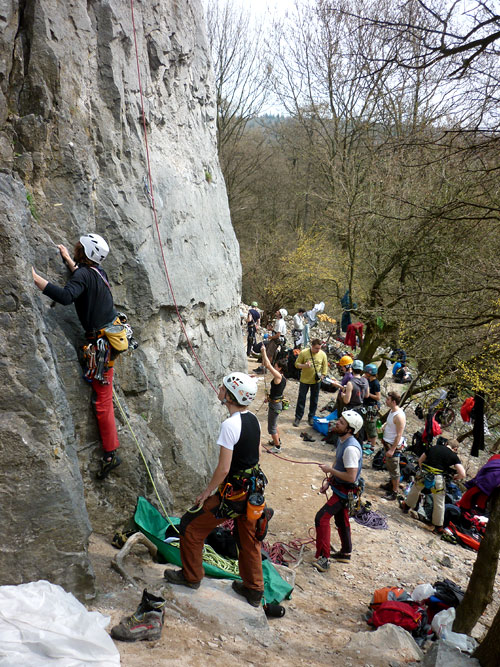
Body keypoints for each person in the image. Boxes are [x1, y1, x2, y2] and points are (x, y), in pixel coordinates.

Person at [163, 372, 265, 607]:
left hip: (232, 494)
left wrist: (207, 492)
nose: (219, 389)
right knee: (248, 540)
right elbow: (256, 455)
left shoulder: (230, 425)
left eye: (223, 387)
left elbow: (223, 468)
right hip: (252, 492)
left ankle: (191, 577)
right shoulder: (253, 420)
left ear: (230, 396)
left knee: (191, 526)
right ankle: (254, 590)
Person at [32, 234, 123, 479]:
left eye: (79, 247)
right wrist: (69, 262)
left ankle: (111, 453)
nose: (76, 245)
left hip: (102, 345)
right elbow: (83, 279)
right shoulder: (97, 272)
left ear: (83, 251)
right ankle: (111, 450)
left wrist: (34, 278)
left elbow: (66, 296)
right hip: (110, 336)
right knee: (103, 394)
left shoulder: (84, 274)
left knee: (103, 401)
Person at [313, 410, 363, 571]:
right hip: (341, 488)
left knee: (321, 518)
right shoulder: (343, 440)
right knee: (341, 519)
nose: (337, 423)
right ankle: (345, 553)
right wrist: (329, 481)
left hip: (345, 491)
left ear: (349, 429)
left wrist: (330, 471)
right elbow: (338, 463)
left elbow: (351, 477)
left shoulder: (350, 449)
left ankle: (324, 559)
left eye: (341, 422)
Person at [401, 438, 465, 533]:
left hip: (424, 474)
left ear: (446, 443)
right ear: (455, 448)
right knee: (439, 501)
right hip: (437, 478)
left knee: (415, 489)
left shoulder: (434, 447)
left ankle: (406, 506)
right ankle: (438, 526)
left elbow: (420, 460)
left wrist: (422, 469)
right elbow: (462, 474)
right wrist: (456, 477)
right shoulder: (453, 456)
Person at [293, 339, 328, 427]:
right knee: (301, 399)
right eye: (316, 348)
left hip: (316, 381)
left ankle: (311, 417)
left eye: (319, 348)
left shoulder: (323, 354)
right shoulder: (304, 353)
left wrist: (323, 376)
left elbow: (325, 367)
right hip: (304, 380)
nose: (318, 350)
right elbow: (296, 364)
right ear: (312, 346)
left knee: (314, 399)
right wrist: (304, 366)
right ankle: (298, 417)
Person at [380, 391, 406, 501]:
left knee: (395, 470)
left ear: (394, 402)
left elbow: (399, 435)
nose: (386, 401)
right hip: (387, 443)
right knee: (390, 467)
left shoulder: (399, 416)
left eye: (388, 400)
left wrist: (392, 449)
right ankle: (391, 485)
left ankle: (394, 492)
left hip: (393, 446)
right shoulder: (392, 411)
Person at [261, 345, 287, 453]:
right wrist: (269, 398)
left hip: (275, 405)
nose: (274, 366)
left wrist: (263, 352)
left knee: (271, 427)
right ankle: (277, 441)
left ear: (279, 368)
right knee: (274, 424)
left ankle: (277, 447)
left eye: (275, 365)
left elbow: (267, 365)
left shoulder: (278, 377)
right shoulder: (282, 377)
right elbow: (276, 392)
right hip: (276, 402)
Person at [363, 363, 381, 450]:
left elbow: (378, 397)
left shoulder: (375, 383)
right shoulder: (368, 380)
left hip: (372, 406)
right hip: (366, 405)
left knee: (371, 426)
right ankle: (369, 442)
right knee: (366, 425)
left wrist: (368, 394)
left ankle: (372, 446)